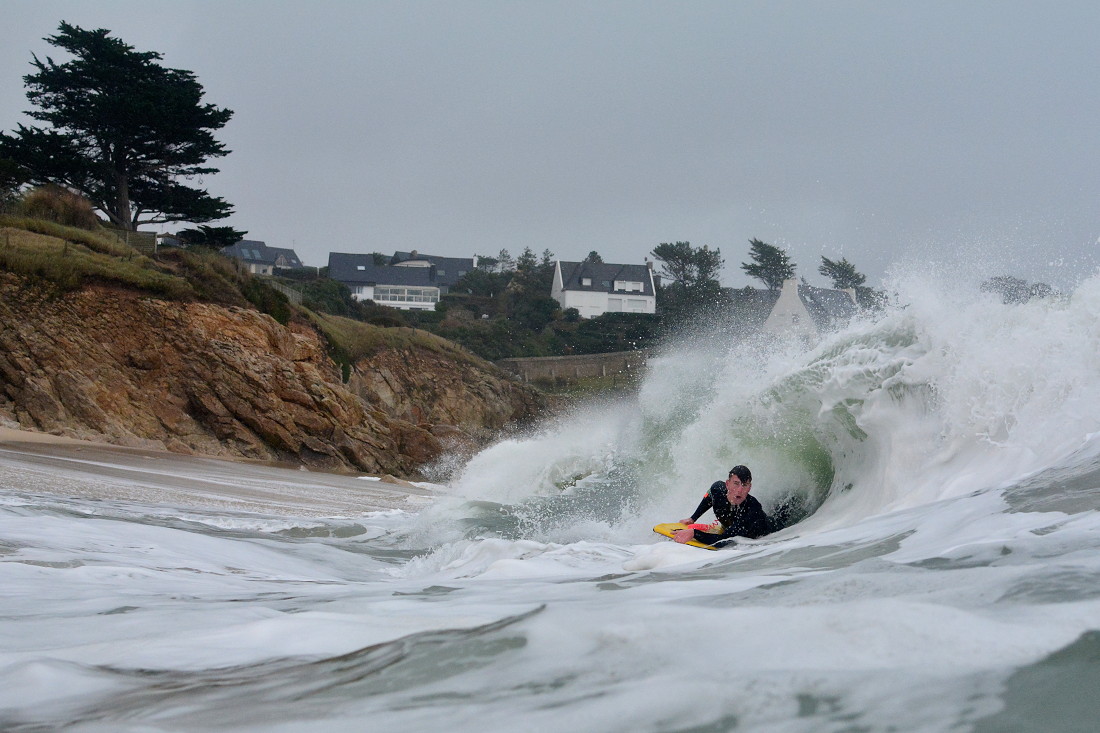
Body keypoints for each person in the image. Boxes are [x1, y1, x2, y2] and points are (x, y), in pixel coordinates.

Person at [673, 465, 771, 546]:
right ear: (727, 484)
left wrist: (694, 533)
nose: (740, 490)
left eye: (744, 485)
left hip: (771, 531)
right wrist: (693, 518)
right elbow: (709, 496)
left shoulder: (752, 509)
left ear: (749, 488)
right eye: (736, 483)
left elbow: (723, 541)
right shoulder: (717, 489)